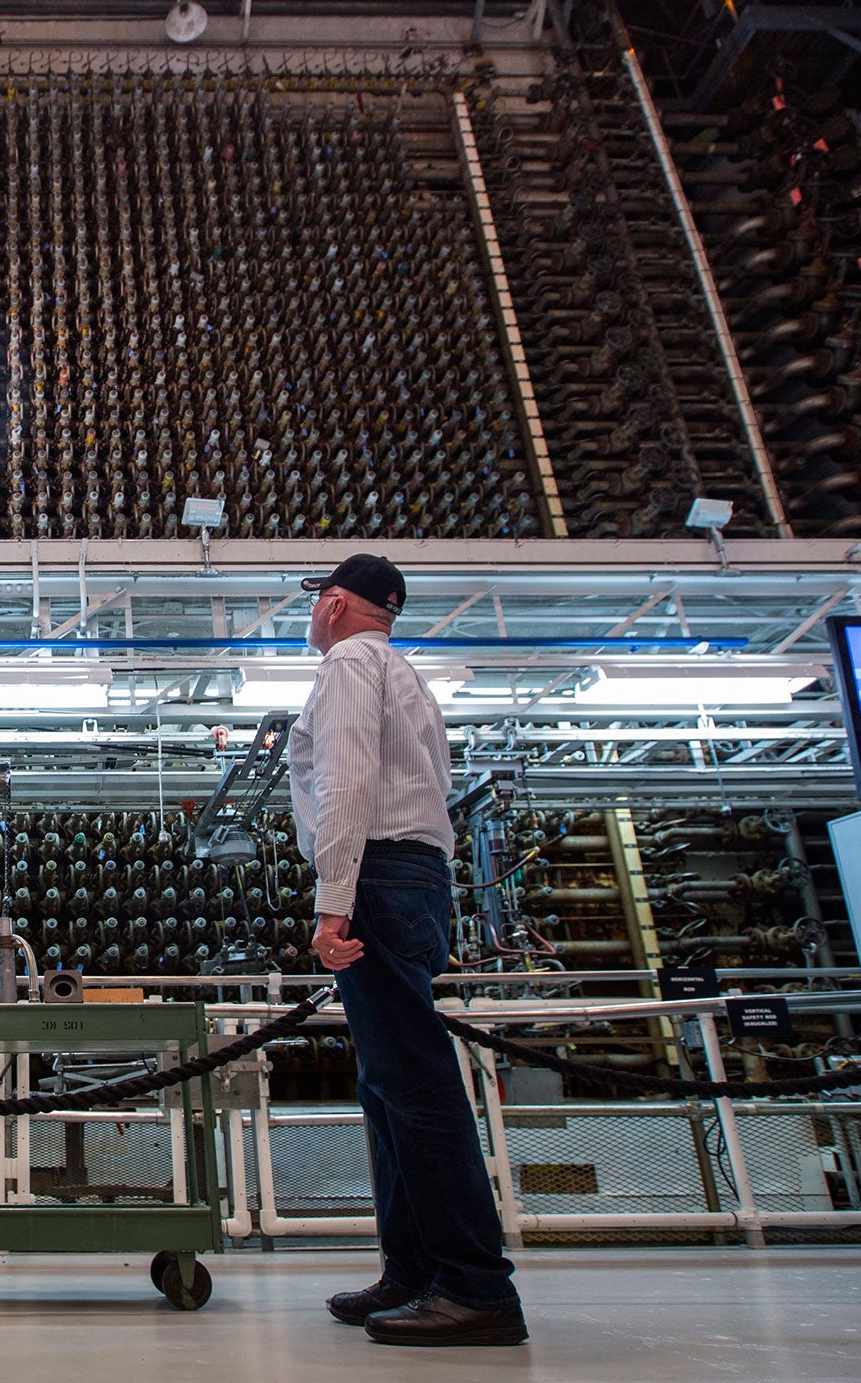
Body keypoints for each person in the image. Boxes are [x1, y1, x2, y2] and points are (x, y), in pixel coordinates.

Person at [290, 553, 527, 1347]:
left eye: (315, 605)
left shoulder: (350, 663)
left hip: (377, 877)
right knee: (391, 1083)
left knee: (415, 1087)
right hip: (413, 875)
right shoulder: (404, 671)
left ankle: (475, 1287)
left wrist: (334, 905)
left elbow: (346, 784)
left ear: (332, 605)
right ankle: (414, 1271)